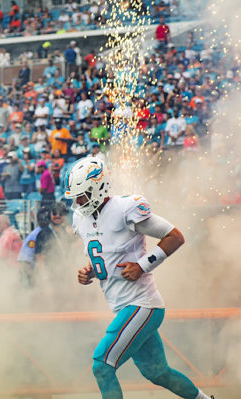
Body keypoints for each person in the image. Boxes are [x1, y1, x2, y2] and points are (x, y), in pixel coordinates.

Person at [64, 157, 213, 399]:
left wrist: (142, 266)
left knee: (102, 366)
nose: (78, 201)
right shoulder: (81, 218)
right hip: (125, 306)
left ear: (99, 187)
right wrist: (89, 270)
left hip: (142, 304)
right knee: (158, 373)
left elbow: (174, 236)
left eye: (82, 195)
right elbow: (106, 254)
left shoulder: (125, 208)